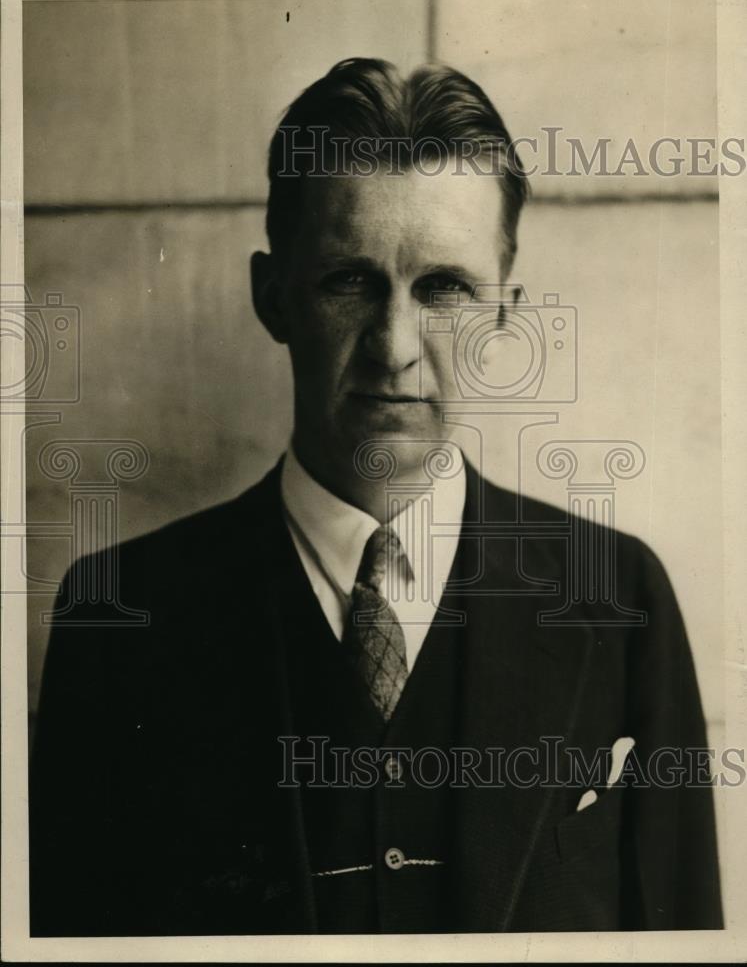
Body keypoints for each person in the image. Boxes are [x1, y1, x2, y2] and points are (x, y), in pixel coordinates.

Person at [29, 58, 722, 935]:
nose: (394, 347)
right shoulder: (119, 617)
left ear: (505, 312)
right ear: (272, 297)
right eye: (349, 281)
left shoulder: (618, 599)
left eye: (444, 288)